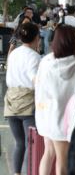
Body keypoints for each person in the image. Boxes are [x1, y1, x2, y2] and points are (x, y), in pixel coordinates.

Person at [35, 25, 75, 175]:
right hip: (66, 119)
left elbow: (39, 86)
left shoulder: (46, 62)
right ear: (72, 41)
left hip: (47, 114)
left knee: (48, 153)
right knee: (63, 160)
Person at [4, 23, 41, 175]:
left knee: (20, 143)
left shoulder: (13, 54)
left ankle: (16, 173)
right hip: (28, 104)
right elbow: (35, 80)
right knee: (29, 144)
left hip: (11, 102)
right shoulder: (35, 57)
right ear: (37, 38)